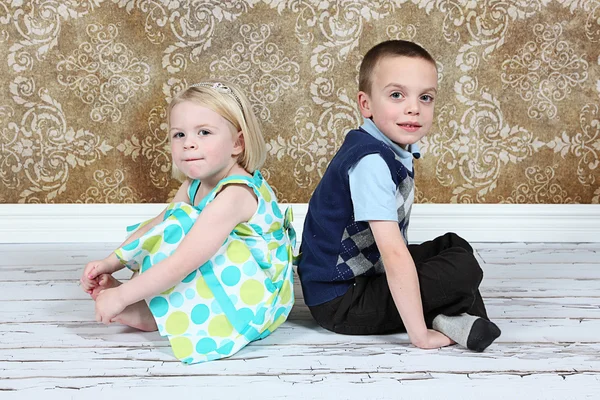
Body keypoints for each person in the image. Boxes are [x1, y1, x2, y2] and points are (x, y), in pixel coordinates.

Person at [297, 40, 501, 351]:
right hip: (342, 301)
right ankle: (444, 322)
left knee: (453, 246)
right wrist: (419, 338)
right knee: (463, 271)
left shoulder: (389, 147)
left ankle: (454, 317)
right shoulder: (371, 162)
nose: (413, 108)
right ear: (366, 105)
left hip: (364, 276)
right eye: (396, 95)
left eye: (426, 97)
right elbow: (394, 255)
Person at [80, 80, 296, 364]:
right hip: (236, 282)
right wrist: (111, 261)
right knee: (171, 224)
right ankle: (154, 308)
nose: (188, 143)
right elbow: (156, 225)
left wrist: (121, 296)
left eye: (204, 132)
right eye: (179, 134)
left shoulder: (235, 194)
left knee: (183, 238)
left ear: (237, 143)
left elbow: (184, 261)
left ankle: (151, 312)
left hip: (259, 303)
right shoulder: (195, 185)